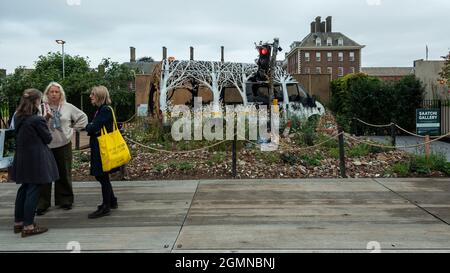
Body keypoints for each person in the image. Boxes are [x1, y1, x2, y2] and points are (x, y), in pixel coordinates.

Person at [10, 89, 59, 237]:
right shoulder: (36, 119)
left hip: (22, 157)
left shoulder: (18, 116)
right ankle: (29, 226)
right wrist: (46, 119)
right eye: (40, 100)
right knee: (33, 189)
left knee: (24, 188)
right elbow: (47, 139)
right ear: (36, 101)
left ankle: (18, 222)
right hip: (36, 159)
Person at [36, 82, 88, 215]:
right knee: (44, 174)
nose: (54, 94)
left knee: (64, 172)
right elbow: (35, 124)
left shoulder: (67, 107)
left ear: (61, 93)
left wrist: (73, 129)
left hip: (63, 144)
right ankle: (42, 203)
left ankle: (65, 200)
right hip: (45, 145)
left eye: (56, 92)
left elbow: (83, 117)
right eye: (51, 92)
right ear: (47, 93)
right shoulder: (41, 108)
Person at [85, 86, 118, 219]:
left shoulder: (104, 110)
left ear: (99, 96)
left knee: (102, 176)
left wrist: (87, 126)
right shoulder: (101, 110)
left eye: (93, 94)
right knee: (102, 176)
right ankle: (112, 200)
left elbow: (94, 127)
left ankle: (106, 206)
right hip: (100, 147)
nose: (90, 96)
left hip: (102, 148)